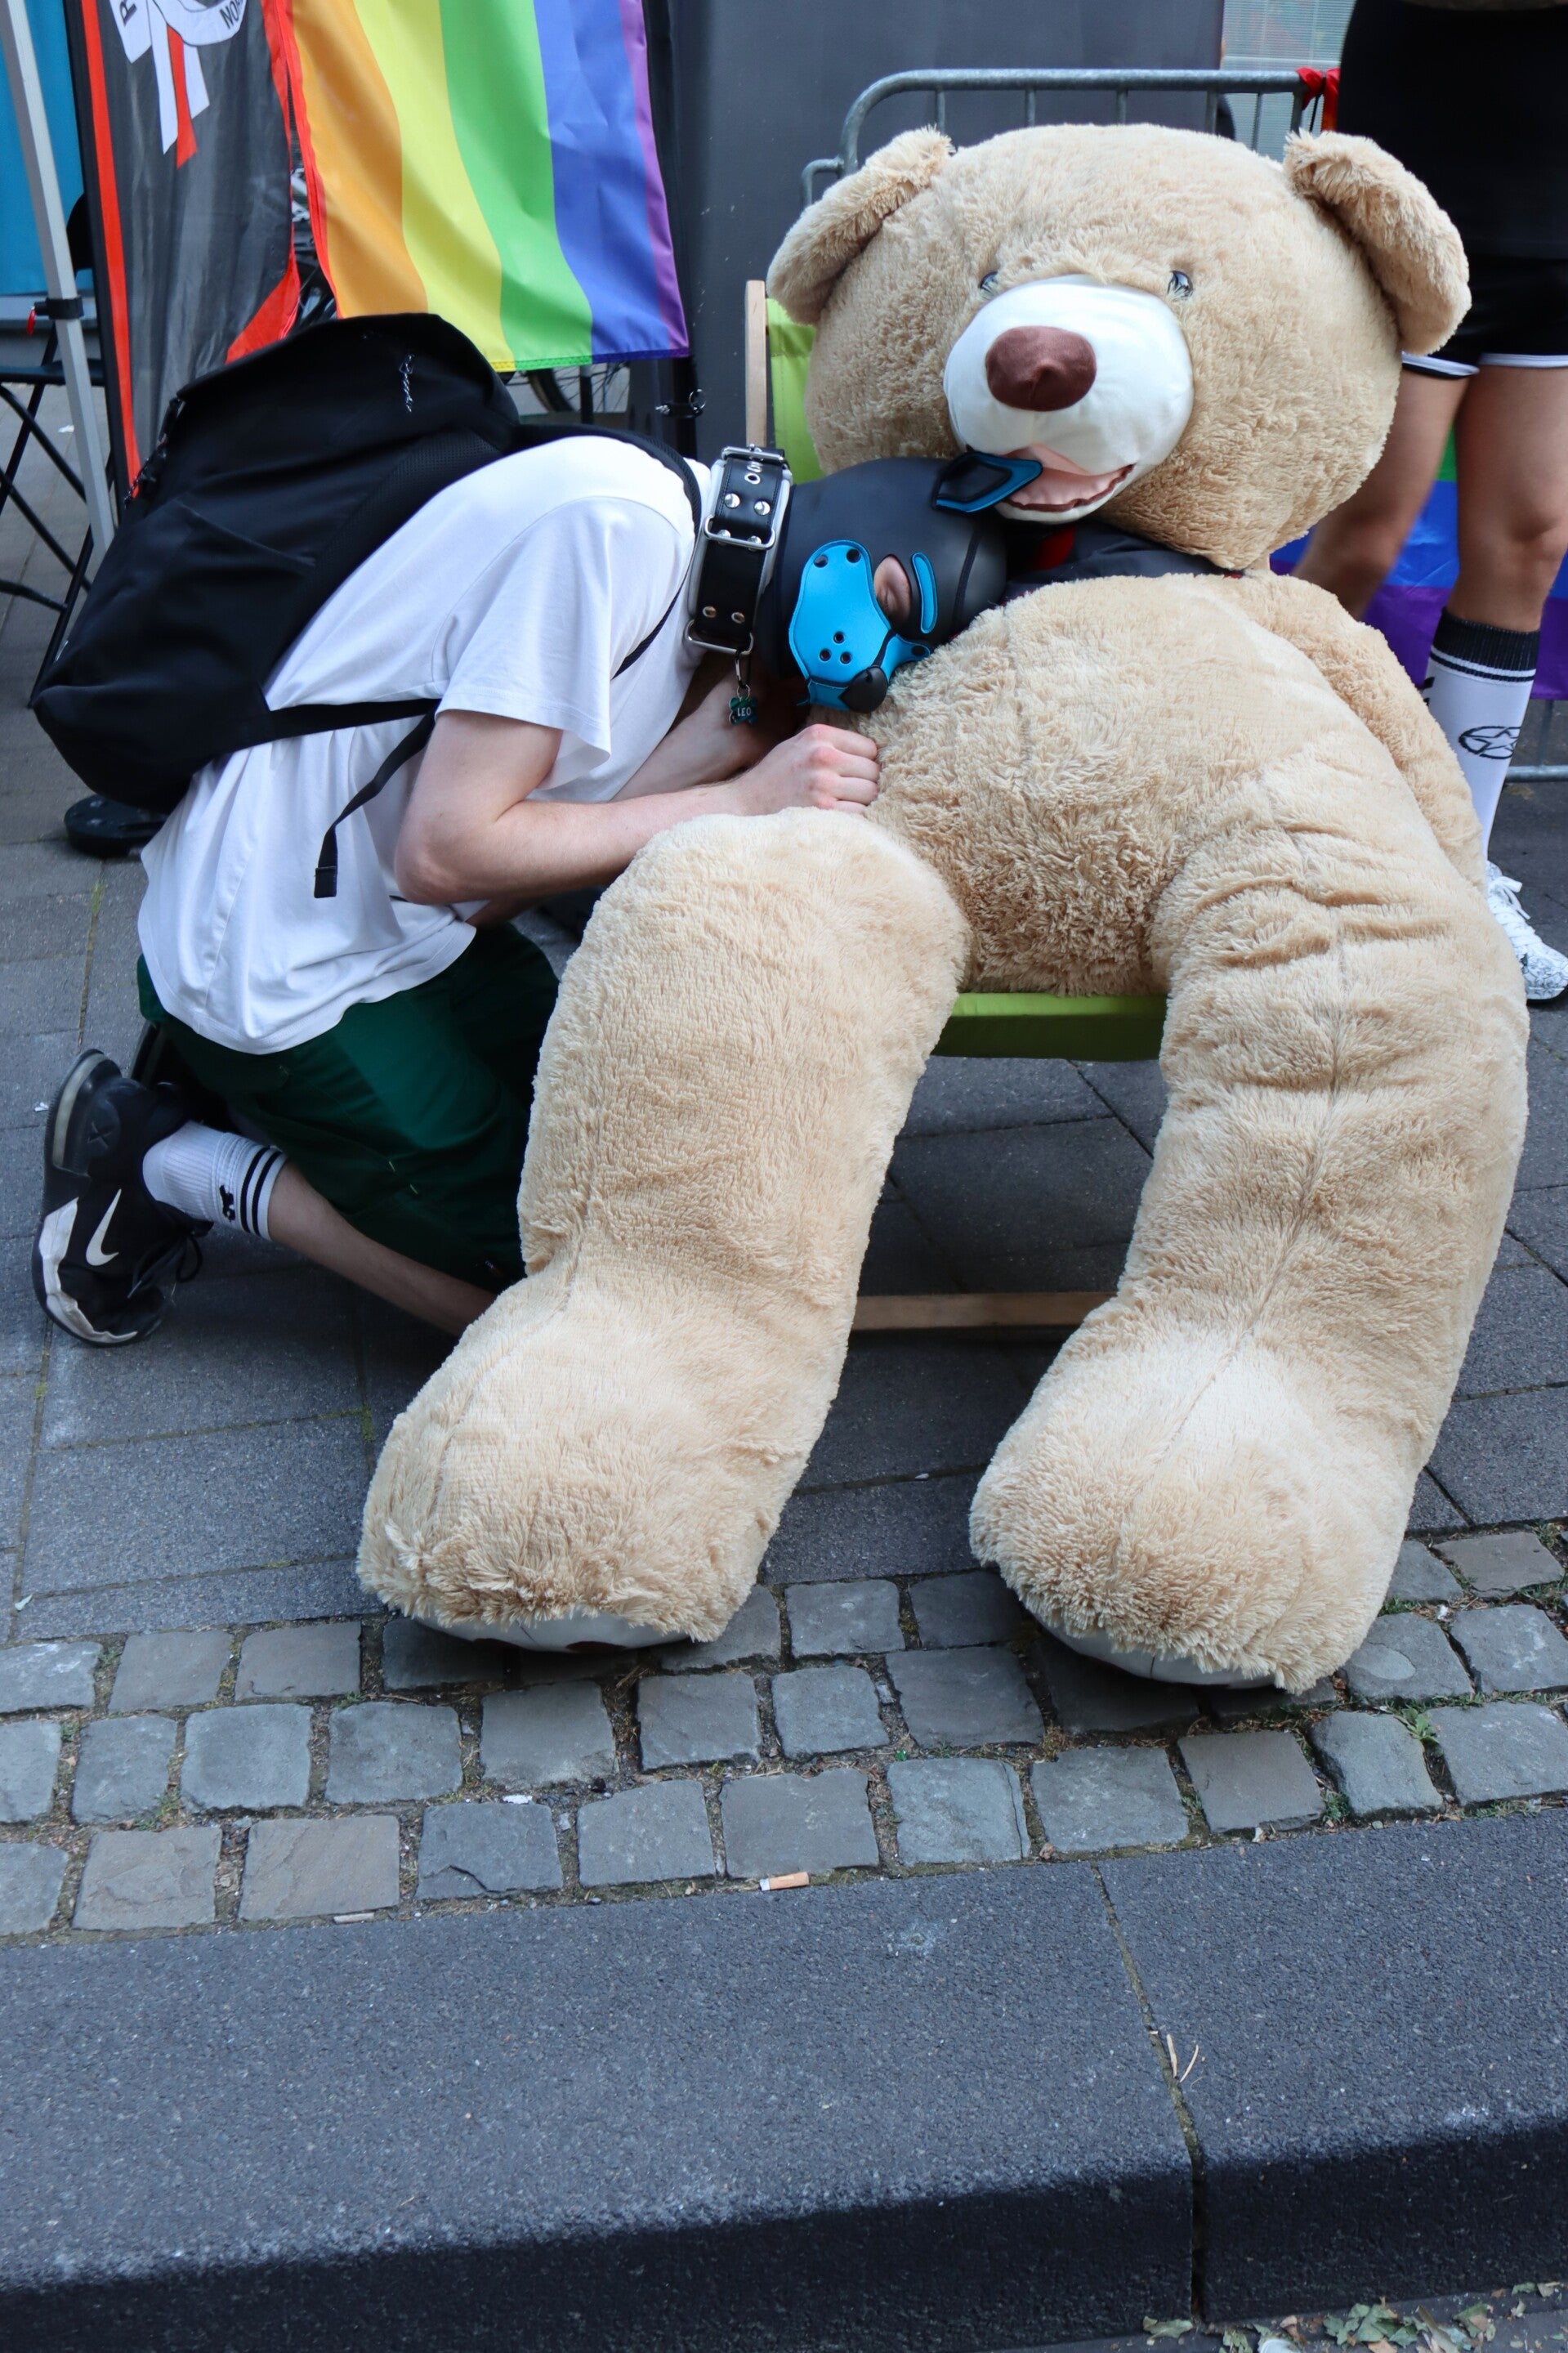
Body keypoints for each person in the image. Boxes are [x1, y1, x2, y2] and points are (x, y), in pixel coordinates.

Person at [33, 439, 1005, 1349]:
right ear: (850, 544)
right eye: (887, 607)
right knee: (560, 1288)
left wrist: (720, 742)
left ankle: (244, 1087)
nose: (866, 670)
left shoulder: (683, 563)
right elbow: (444, 855)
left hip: (407, 926)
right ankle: (161, 1156)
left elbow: (495, 889)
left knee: (614, 1156)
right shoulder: (611, 534)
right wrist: (740, 801)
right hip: (283, 960)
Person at [1294, 0, 1568, 1000]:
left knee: (1528, 537)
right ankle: (1247, 824)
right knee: (1362, 535)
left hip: (1551, 212)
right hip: (1419, 199)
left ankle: (1460, 871)